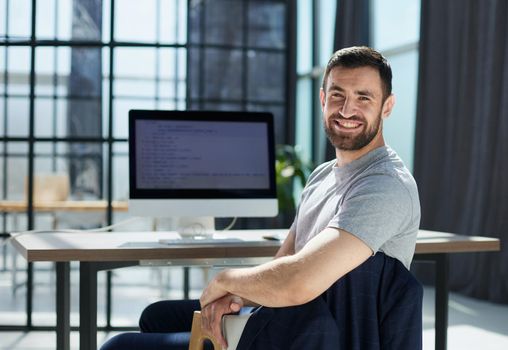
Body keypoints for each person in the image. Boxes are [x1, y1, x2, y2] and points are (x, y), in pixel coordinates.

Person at [101, 46, 421, 350]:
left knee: (118, 346)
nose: (347, 109)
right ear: (323, 98)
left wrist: (227, 281)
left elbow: (298, 282)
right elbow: (283, 264)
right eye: (337, 94)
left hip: (312, 337)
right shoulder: (323, 176)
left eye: (363, 97)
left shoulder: (384, 185)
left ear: (387, 106)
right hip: (289, 318)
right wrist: (237, 296)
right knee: (156, 316)